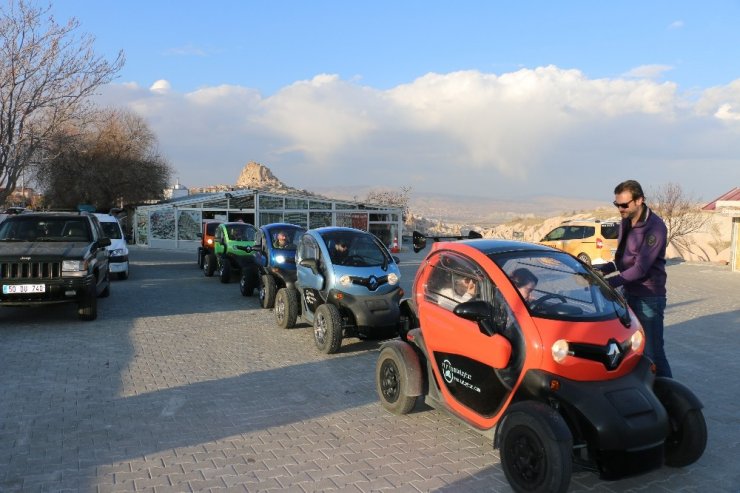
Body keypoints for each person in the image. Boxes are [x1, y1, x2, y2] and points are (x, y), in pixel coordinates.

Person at [595, 179, 672, 377]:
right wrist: (602, 271)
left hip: (649, 298)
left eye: (624, 204)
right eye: (617, 204)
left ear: (639, 201)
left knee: (653, 352)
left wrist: (609, 283)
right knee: (631, 350)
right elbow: (623, 260)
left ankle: (673, 401)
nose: (620, 209)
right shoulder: (626, 222)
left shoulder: (655, 228)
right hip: (628, 292)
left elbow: (640, 268)